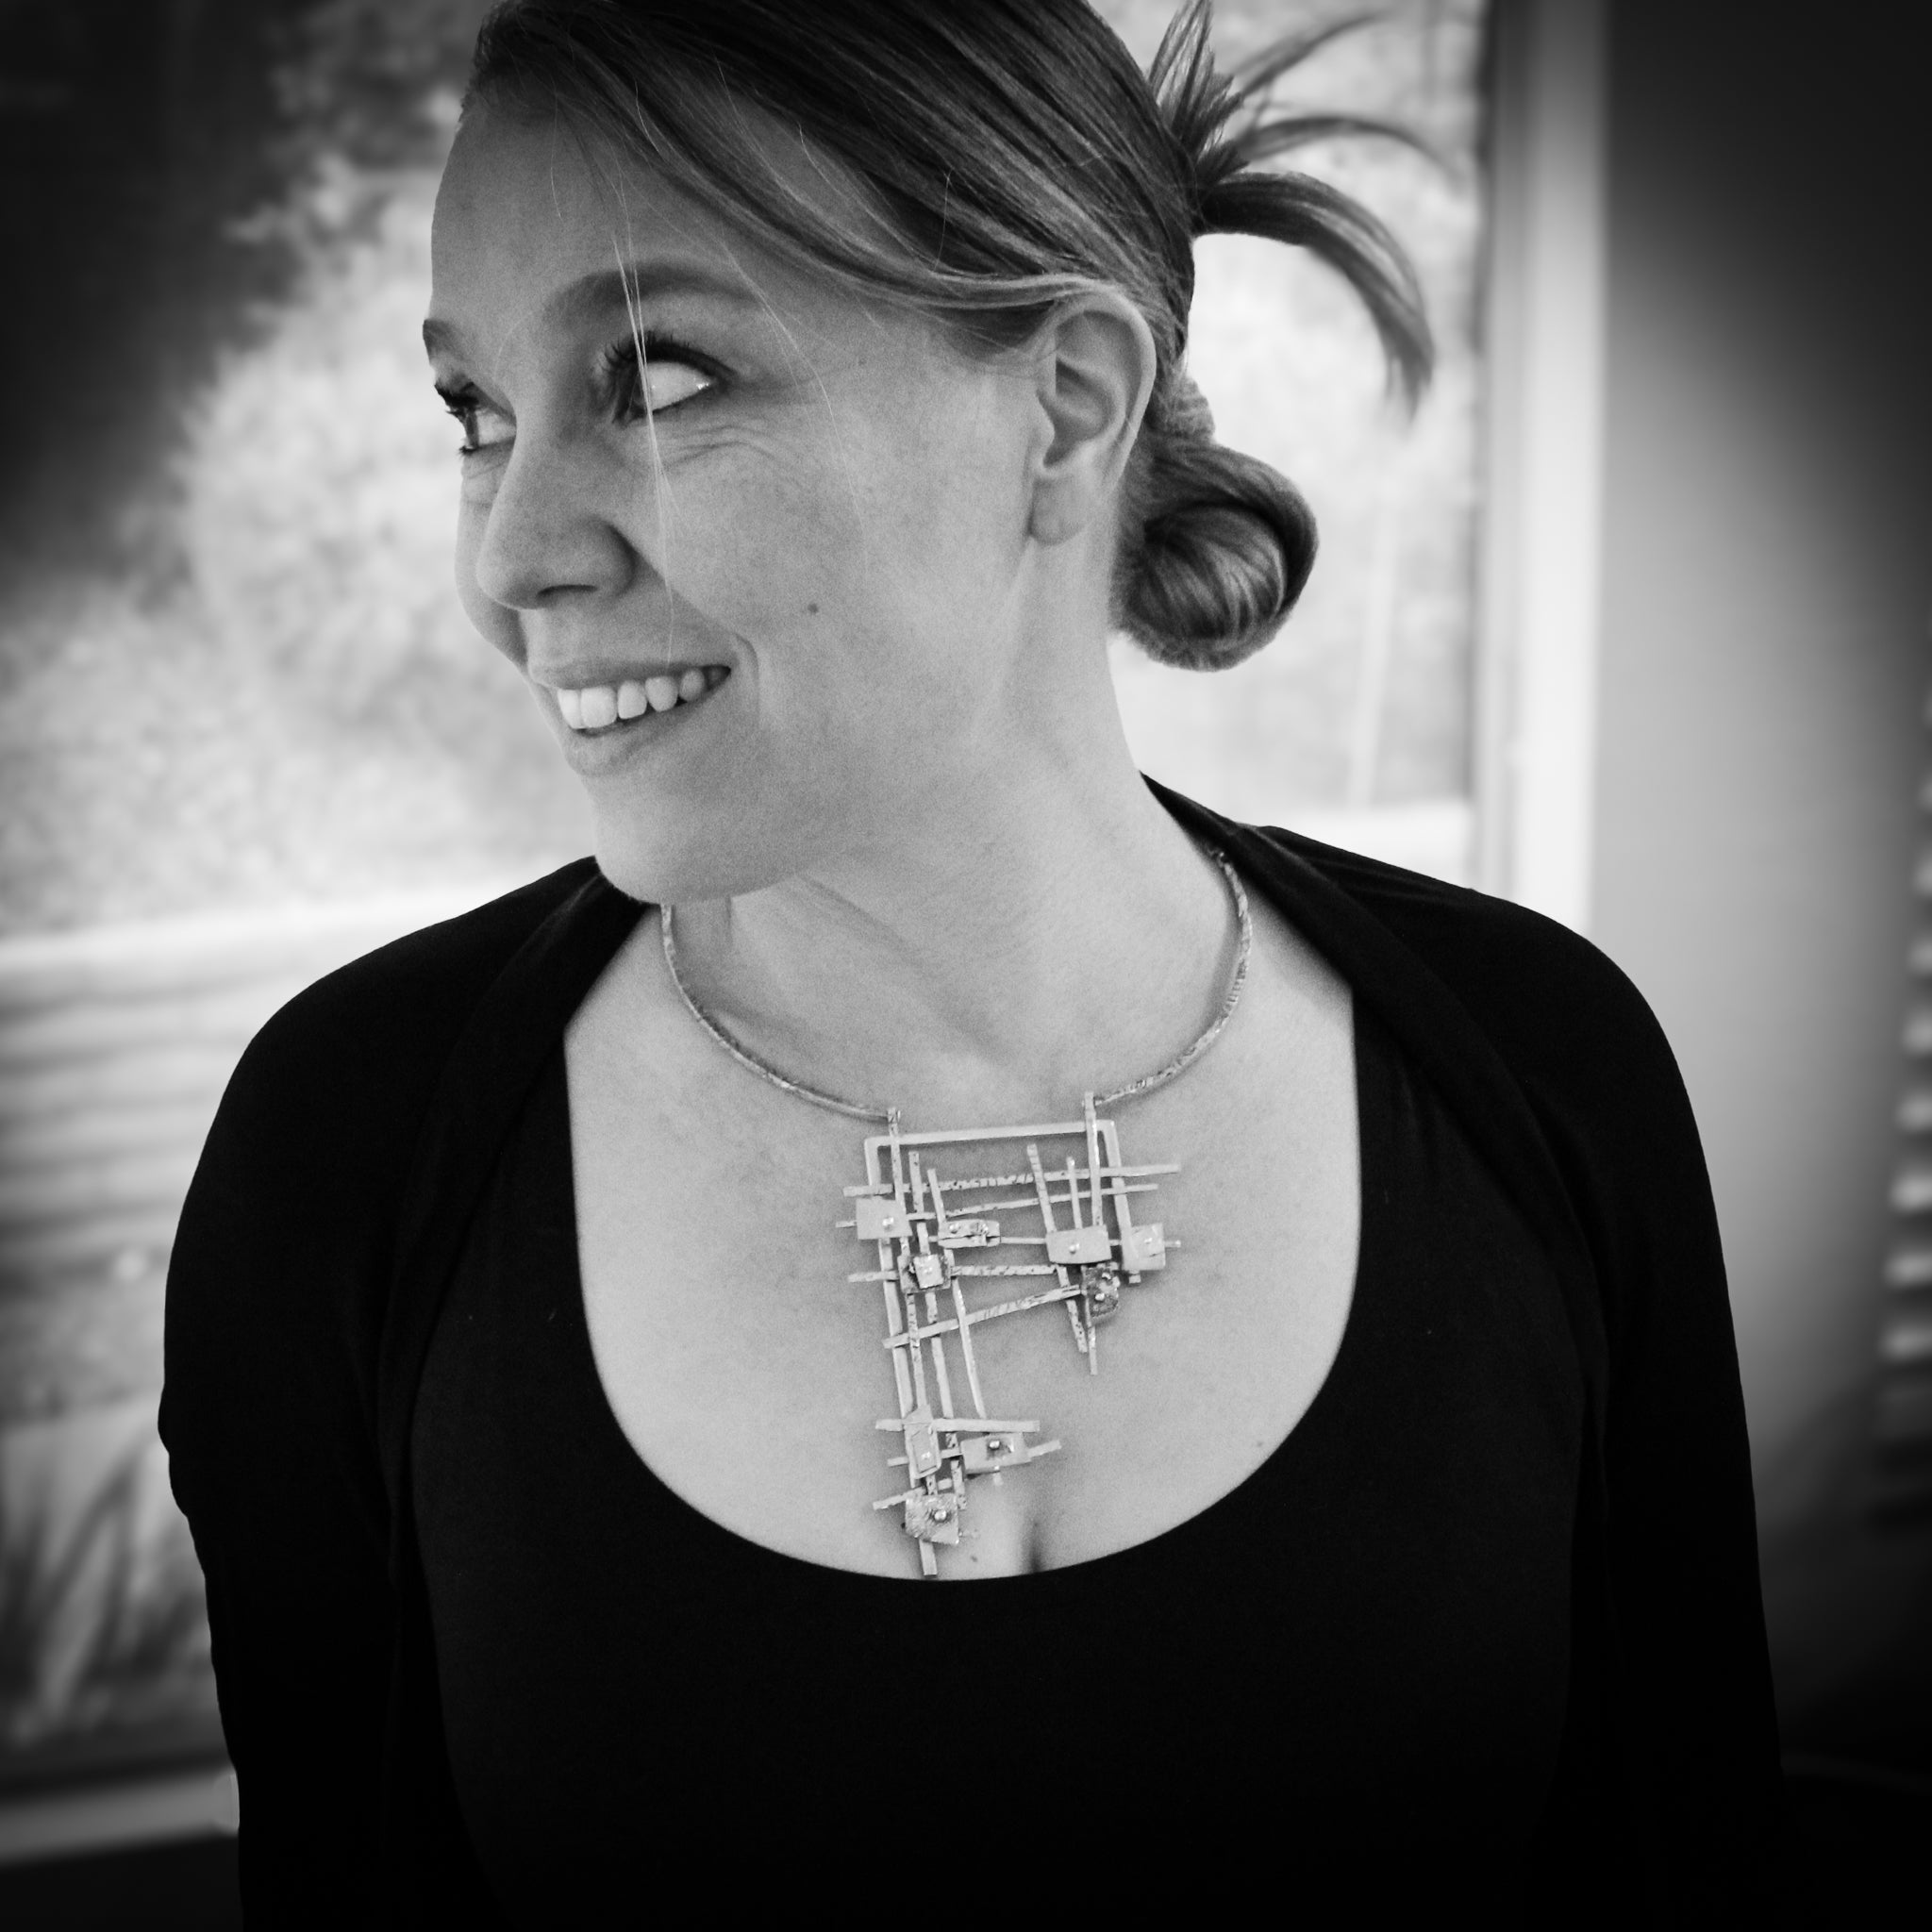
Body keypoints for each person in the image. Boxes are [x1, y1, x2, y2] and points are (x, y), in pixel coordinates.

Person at [162, 0, 1795, 1919]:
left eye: (660, 378)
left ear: (1065, 406)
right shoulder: (349, 1151)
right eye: (477, 414)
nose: (512, 555)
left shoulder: (1535, 1075)